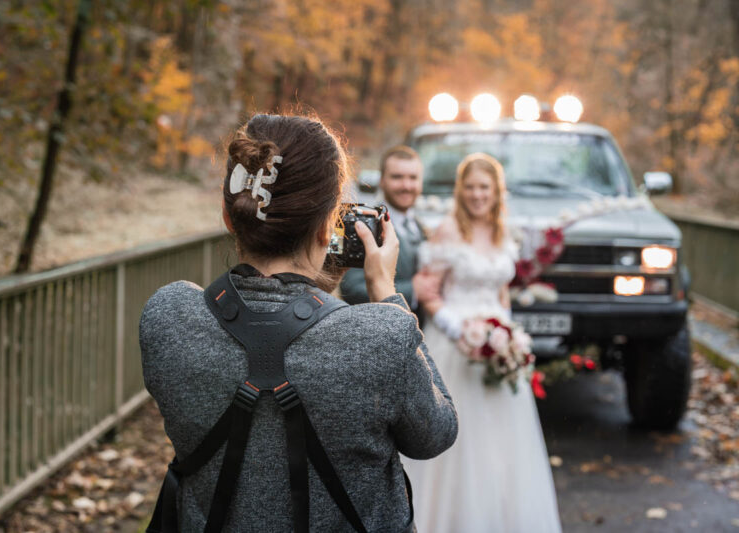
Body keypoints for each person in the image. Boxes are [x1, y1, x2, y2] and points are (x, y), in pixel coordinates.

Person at [139, 114, 457, 532]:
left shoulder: (168, 317)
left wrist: (320, 284)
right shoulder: (382, 336)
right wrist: (388, 295)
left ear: (229, 214)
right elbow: (436, 433)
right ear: (329, 224)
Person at [403, 153, 562, 533]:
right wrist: (458, 329)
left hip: (501, 347)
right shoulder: (447, 231)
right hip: (454, 343)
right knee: (459, 437)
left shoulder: (504, 232)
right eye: (471, 187)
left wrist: (510, 337)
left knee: (505, 440)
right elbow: (427, 290)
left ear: (496, 192)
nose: (477, 195)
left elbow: (501, 292)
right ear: (461, 191)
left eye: (484, 188)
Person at [341, 146, 427, 323]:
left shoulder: (419, 225)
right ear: (381, 180)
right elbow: (352, 289)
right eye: (397, 177)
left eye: (413, 178)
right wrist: (413, 290)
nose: (406, 185)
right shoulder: (366, 224)